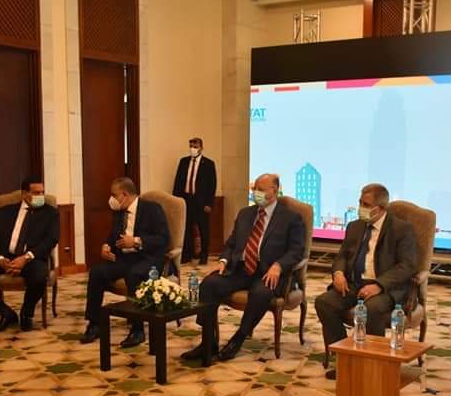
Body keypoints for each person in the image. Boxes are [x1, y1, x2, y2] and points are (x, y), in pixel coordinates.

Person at [181, 173, 305, 362]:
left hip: (269, 273)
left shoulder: (291, 218)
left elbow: (297, 251)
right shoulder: (245, 214)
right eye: (254, 189)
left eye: (260, 190)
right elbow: (231, 243)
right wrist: (223, 260)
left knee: (260, 293)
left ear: (274, 191)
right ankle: (208, 342)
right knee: (208, 284)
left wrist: (279, 265)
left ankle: (238, 339)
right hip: (241, 269)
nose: (255, 193)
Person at [315, 183, 417, 378]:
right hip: (354, 283)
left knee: (371, 309)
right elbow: (343, 255)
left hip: (385, 288)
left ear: (381, 208)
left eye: (366, 204)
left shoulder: (401, 229)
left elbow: (407, 266)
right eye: (360, 202)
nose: (360, 207)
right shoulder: (355, 226)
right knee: (324, 302)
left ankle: (371, 364)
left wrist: (379, 285)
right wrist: (338, 273)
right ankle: (346, 358)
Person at [80, 177, 170, 347]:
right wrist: (106, 247)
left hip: (148, 259)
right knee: (97, 272)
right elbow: (113, 236)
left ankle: (137, 329)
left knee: (134, 274)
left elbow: (163, 239)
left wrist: (136, 241)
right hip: (125, 259)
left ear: (124, 194)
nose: (111, 199)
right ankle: (94, 324)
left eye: (114, 195)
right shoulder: (119, 212)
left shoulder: (152, 209)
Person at [0, 176, 59, 332]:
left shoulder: (50, 213)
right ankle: (5, 312)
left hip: (31, 258)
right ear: (24, 194)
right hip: (4, 257)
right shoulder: (4, 212)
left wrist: (25, 257)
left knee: (39, 277)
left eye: (42, 192)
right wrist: (0, 260)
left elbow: (51, 240)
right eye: (36, 193)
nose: (41, 196)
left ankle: (26, 313)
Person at [173, 137, 216, 265]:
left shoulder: (208, 164)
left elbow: (212, 185)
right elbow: (178, 181)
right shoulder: (184, 161)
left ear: (201, 148)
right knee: (186, 229)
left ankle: (203, 256)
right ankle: (187, 255)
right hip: (186, 200)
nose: (193, 149)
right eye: (191, 146)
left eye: (195, 146)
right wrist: (176, 200)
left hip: (201, 202)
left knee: (203, 229)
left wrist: (209, 203)